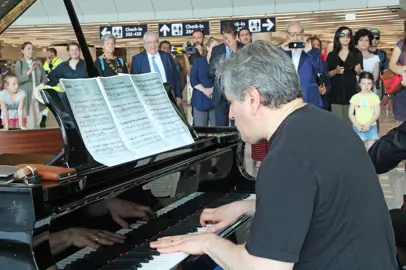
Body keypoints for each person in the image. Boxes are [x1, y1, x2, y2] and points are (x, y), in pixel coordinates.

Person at [150, 40, 397, 269]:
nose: (231, 115)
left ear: (252, 98)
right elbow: (315, 200)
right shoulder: (328, 124)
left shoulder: (285, 157)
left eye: (231, 103)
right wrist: (249, 206)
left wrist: (206, 243)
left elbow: (265, 267)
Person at [348, 71, 381, 150]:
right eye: (364, 83)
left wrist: (369, 124)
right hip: (358, 127)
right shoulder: (355, 97)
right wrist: (356, 124)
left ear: (372, 84)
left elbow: (377, 113)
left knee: (370, 149)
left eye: (369, 83)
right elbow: (350, 113)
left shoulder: (375, 97)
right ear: (359, 84)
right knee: (360, 150)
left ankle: (370, 162)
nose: (366, 86)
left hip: (371, 126)